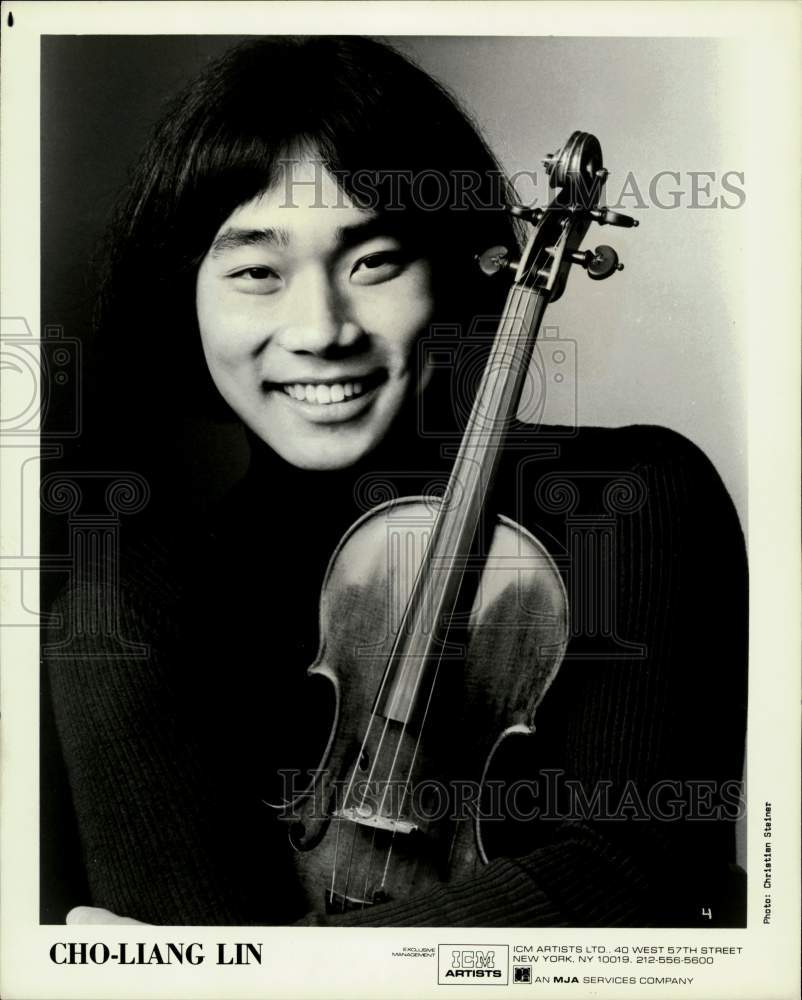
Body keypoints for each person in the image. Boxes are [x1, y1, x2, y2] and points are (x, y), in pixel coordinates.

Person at [43, 36, 747, 927]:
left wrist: (275, 976)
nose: (320, 329)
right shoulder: (140, 601)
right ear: (184, 295)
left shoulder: (628, 497)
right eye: (257, 272)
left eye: (373, 261)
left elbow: (636, 869)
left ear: (457, 265)